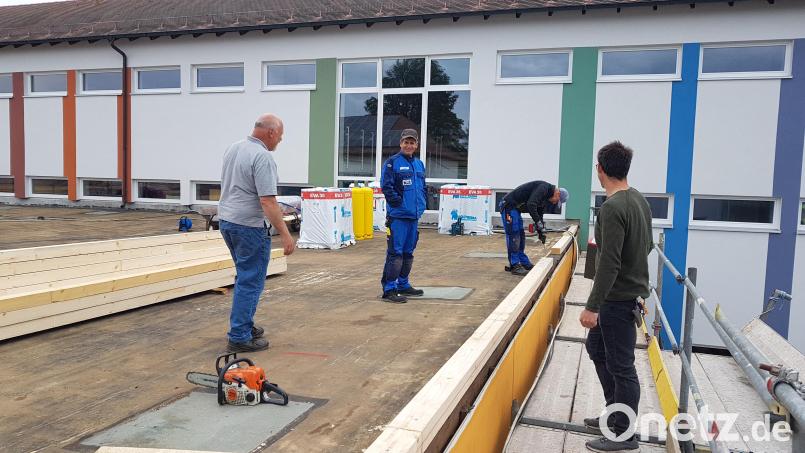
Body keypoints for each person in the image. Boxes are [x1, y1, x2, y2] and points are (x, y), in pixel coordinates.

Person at [579, 141, 653, 452]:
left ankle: (623, 434)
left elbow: (609, 264)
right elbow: (647, 245)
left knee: (622, 366)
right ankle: (615, 412)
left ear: (600, 170)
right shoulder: (638, 200)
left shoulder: (612, 208)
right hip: (627, 295)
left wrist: (592, 307)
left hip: (617, 300)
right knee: (596, 348)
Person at [218, 113, 296, 352]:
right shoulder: (262, 157)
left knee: (244, 277)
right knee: (250, 282)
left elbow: (242, 187)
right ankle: (239, 335)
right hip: (249, 226)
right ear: (271, 132)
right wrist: (285, 233)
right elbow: (267, 201)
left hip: (228, 221)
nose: (278, 142)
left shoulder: (234, 148)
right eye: (279, 138)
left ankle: (243, 324)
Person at [380, 128, 427, 304]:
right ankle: (389, 289)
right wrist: (399, 203)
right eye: (406, 142)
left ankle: (403, 284)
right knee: (396, 253)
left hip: (413, 217)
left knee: (408, 253)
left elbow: (422, 187)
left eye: (412, 142)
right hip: (398, 218)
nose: (408, 145)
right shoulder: (392, 163)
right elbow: (386, 186)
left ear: (416, 145)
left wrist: (422, 205)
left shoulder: (419, 164)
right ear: (401, 143)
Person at [499, 181, 568, 276]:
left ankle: (523, 262)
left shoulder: (545, 198)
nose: (555, 202)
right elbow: (531, 204)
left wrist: (541, 232)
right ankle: (514, 265)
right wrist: (538, 222)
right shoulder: (544, 188)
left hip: (515, 209)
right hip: (508, 206)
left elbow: (539, 215)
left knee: (521, 234)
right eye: (557, 200)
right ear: (557, 193)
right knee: (514, 234)